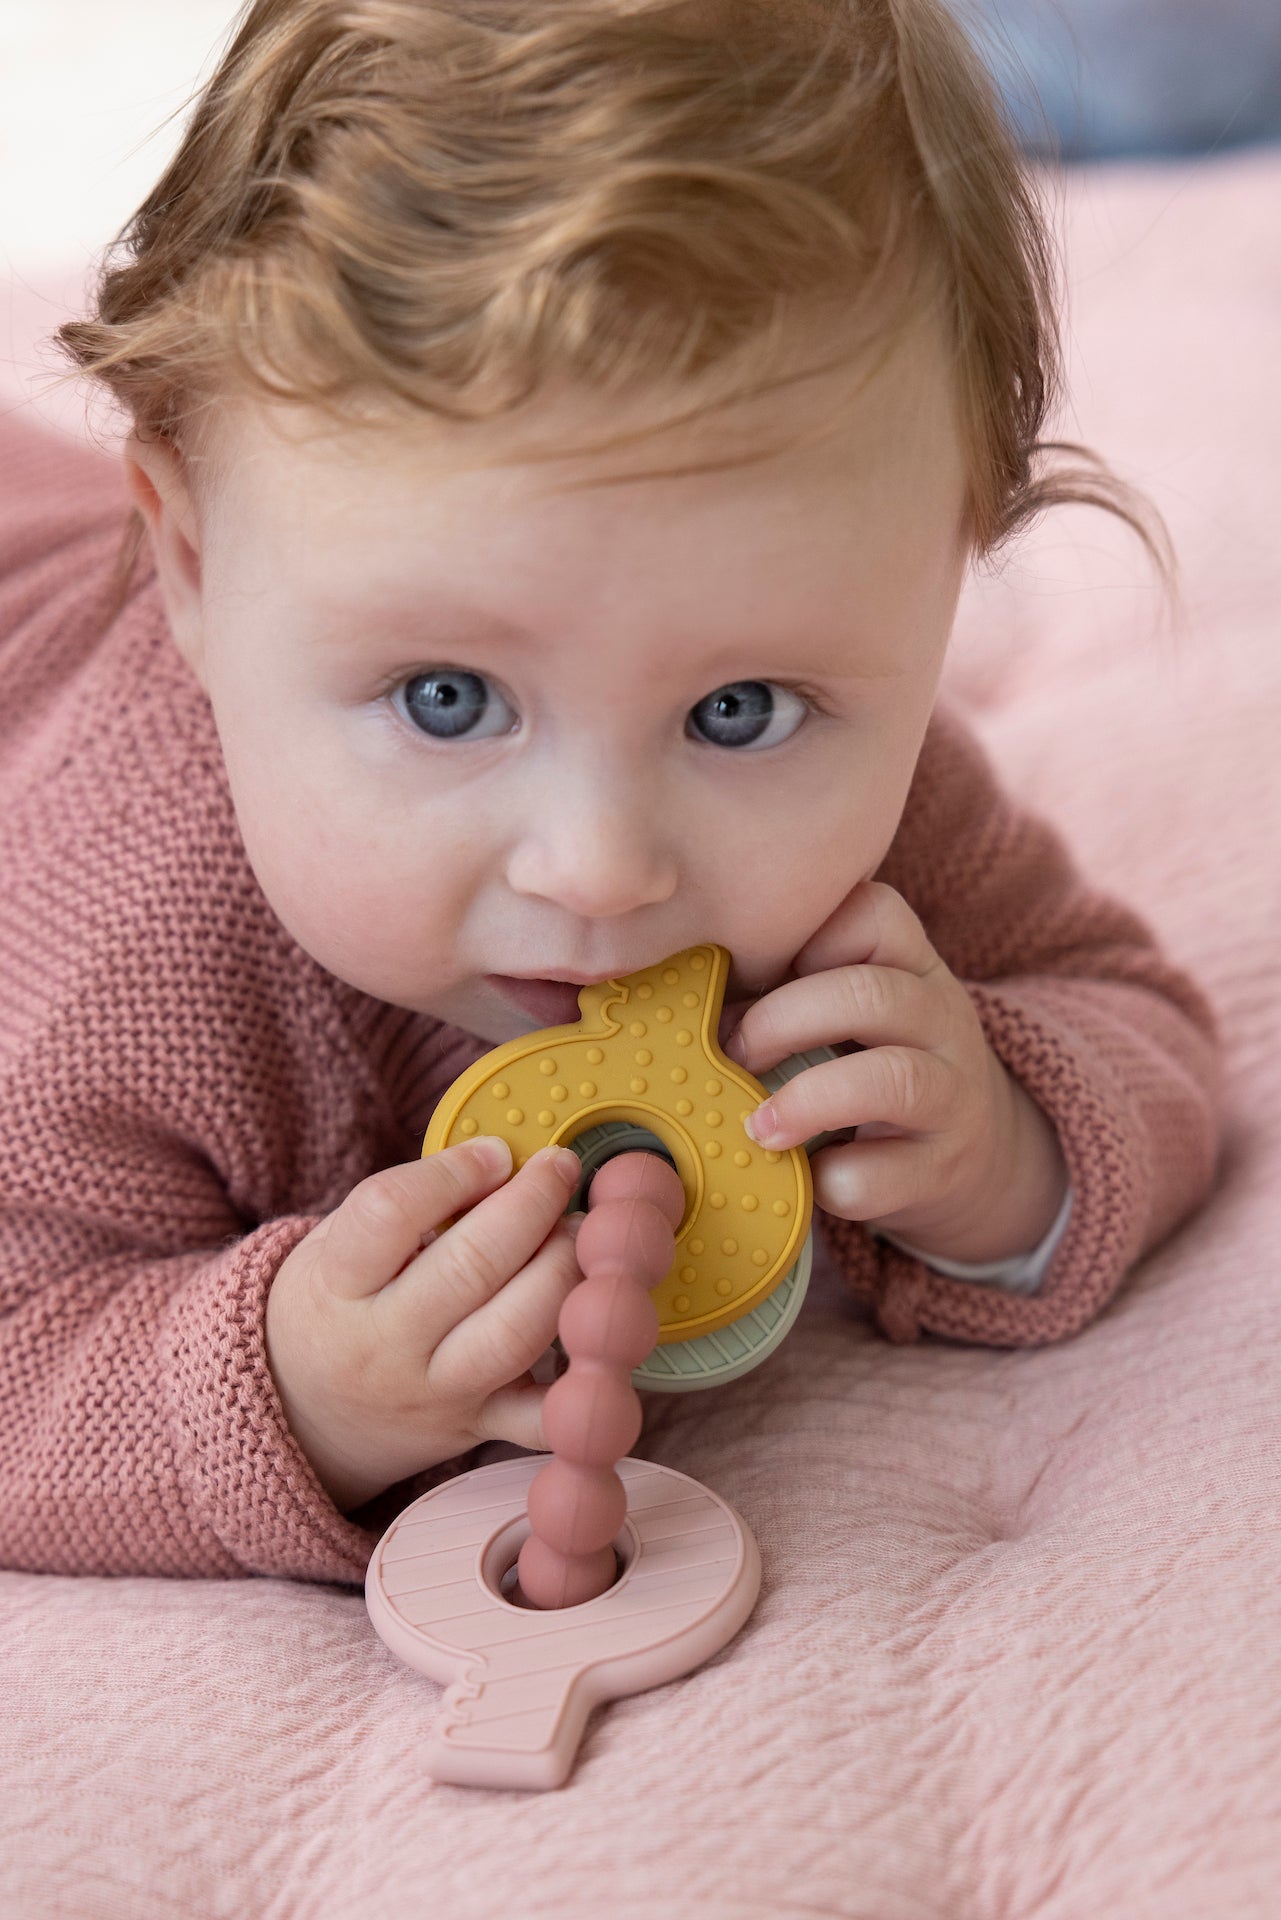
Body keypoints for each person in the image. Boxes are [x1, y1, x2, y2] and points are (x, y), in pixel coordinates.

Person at [0, 0, 1220, 1581]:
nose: (599, 867)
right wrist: (288, 1387)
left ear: (943, 578)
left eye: (735, 710)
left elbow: (1126, 1007)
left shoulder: (874, 833)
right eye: (448, 700)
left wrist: (1004, 1148)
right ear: (189, 562)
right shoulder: (127, 950)